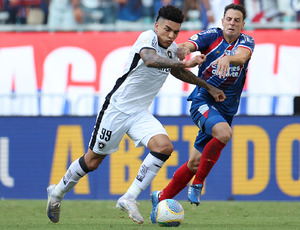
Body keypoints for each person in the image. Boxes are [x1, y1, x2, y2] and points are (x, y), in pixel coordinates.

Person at [46, 4, 225, 224]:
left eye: (176, 32)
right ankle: (57, 193)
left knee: (164, 147)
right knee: (92, 161)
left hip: (140, 113)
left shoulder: (171, 50)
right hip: (117, 109)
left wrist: (208, 87)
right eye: (167, 29)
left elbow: (178, 71)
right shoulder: (147, 38)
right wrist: (184, 62)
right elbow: (150, 59)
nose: (171, 36)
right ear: (157, 25)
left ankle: (129, 197)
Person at [149, 3, 255, 223]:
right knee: (224, 134)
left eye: (237, 20)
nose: (232, 23)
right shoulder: (211, 36)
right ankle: (198, 184)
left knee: (194, 162)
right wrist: (186, 50)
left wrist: (229, 58)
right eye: (229, 19)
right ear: (222, 20)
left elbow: (242, 57)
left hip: (226, 109)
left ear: (242, 24)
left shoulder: (246, 41)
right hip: (203, 101)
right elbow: (189, 44)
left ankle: (161, 197)